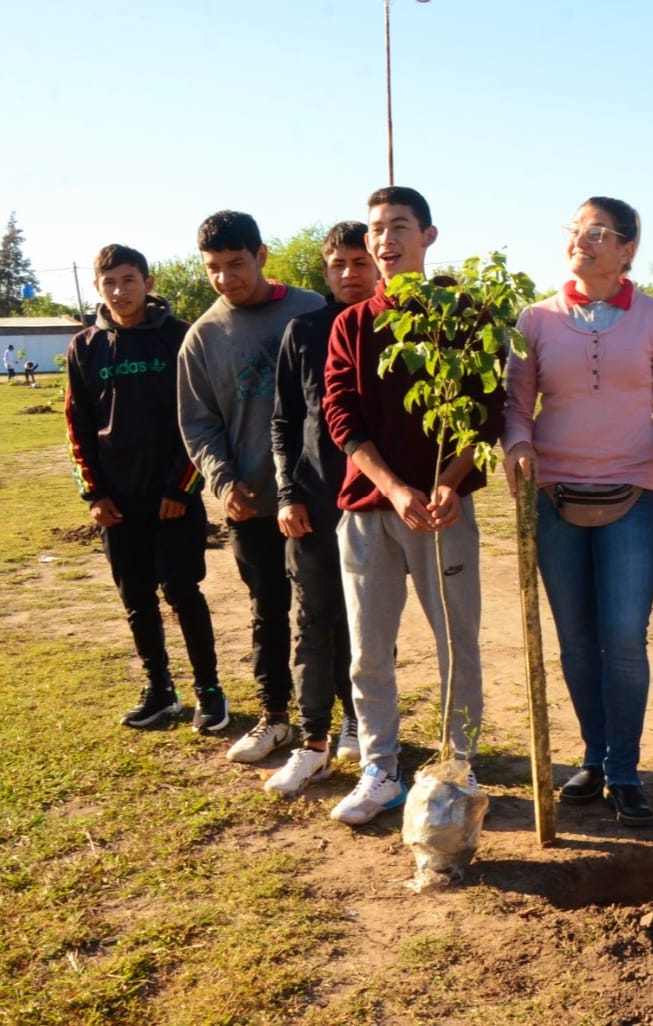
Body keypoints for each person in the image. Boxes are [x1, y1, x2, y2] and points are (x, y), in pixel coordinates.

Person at [504, 196, 653, 826]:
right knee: (576, 639)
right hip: (555, 495)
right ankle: (593, 756)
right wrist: (518, 444)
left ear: (626, 250)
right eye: (574, 229)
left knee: (623, 637)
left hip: (630, 494)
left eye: (597, 233)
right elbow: (516, 404)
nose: (581, 240)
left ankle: (623, 768)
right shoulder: (533, 319)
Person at [323, 186, 502, 827]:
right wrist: (396, 489)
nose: (385, 238)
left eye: (400, 225)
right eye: (376, 228)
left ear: (428, 235)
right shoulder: (351, 323)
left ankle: (458, 766)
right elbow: (341, 414)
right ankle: (380, 769)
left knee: (457, 642)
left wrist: (449, 483)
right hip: (371, 512)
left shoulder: (465, 318)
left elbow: (487, 411)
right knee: (369, 649)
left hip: (443, 513)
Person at [178, 211, 325, 764]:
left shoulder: (310, 309)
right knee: (268, 612)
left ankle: (345, 723)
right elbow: (197, 422)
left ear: (261, 256)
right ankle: (275, 717)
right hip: (251, 501)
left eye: (235, 264)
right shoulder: (202, 337)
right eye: (213, 268)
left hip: (315, 497)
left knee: (326, 613)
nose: (225, 278)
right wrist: (222, 481)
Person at [65, 244, 229, 732]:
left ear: (148, 282)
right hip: (117, 502)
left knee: (183, 592)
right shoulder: (85, 347)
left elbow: (205, 419)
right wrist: (94, 494)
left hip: (172, 499)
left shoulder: (181, 338)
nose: (120, 290)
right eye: (110, 281)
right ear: (98, 287)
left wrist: (181, 489)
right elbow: (77, 424)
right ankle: (160, 690)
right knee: (136, 597)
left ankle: (209, 691)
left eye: (129, 279)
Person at [263, 222, 378, 796]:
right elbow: (284, 421)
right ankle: (312, 742)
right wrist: (287, 494)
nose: (350, 273)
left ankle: (361, 725)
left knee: (368, 628)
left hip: (377, 507)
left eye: (360, 261)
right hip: (312, 504)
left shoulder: (400, 328)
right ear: (325, 270)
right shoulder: (303, 331)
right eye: (339, 263)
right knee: (312, 623)